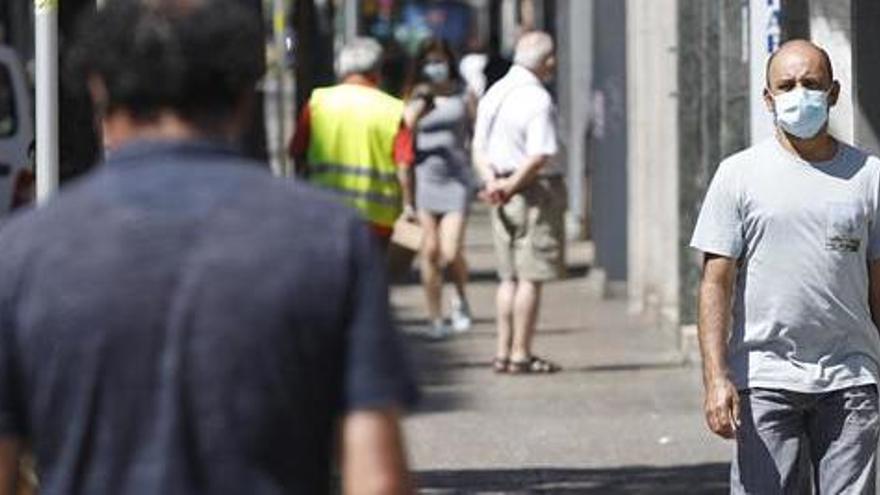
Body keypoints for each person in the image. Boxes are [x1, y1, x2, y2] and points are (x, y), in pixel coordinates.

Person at [0, 1, 417, 494]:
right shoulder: (328, 239)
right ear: (243, 97)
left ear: (99, 91)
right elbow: (378, 477)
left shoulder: (26, 253)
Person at [691, 39, 880, 493]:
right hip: (765, 378)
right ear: (768, 97)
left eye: (812, 84)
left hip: (851, 379)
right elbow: (716, 283)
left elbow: (879, 285)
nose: (800, 94)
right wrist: (717, 378)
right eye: (787, 85)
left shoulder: (869, 176)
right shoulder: (738, 175)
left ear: (833, 94)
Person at [472, 31, 566, 374]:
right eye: (552, 56)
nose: (554, 62)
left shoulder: (494, 92)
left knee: (507, 277)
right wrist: (511, 186)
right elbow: (539, 155)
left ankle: (502, 351)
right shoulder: (537, 99)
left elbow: (478, 148)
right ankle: (521, 353)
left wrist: (492, 183)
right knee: (530, 276)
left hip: (499, 189)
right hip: (533, 192)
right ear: (545, 61)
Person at [290, 37, 423, 248]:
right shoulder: (393, 109)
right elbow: (404, 166)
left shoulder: (317, 102)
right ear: (378, 70)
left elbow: (297, 154)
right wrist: (409, 207)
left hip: (324, 214)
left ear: (341, 68)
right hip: (377, 222)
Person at [403, 38, 476, 339]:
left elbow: (476, 132)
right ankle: (435, 317)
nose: (436, 67)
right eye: (430, 61)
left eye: (440, 60)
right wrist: (419, 105)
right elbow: (403, 133)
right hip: (425, 180)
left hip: (456, 180)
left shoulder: (463, 94)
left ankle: (460, 297)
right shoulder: (416, 97)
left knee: (450, 250)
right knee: (429, 251)